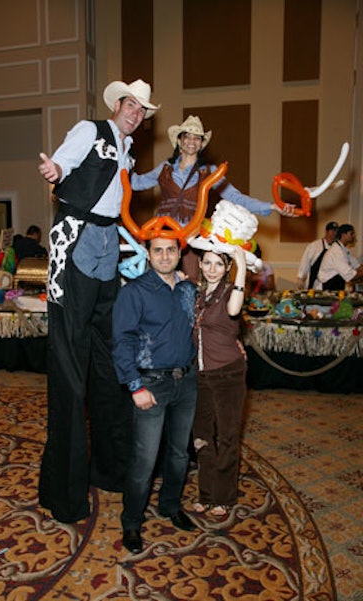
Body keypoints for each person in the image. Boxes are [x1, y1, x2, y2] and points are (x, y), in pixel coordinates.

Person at [37, 79, 160, 524]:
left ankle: (110, 469)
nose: (136, 112)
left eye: (142, 109)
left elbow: (123, 197)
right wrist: (55, 171)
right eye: (131, 104)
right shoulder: (89, 130)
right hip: (75, 242)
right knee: (71, 368)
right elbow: (64, 165)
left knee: (110, 361)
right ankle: (65, 493)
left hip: (108, 247)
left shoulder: (127, 151)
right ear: (118, 104)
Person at [131, 115, 296, 281]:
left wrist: (271, 207)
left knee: (190, 283)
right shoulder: (164, 169)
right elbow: (136, 183)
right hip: (164, 236)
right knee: (157, 282)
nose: (191, 141)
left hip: (192, 239)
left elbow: (235, 197)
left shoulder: (210, 171)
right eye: (187, 136)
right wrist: (121, 163)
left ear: (201, 144)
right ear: (179, 141)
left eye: (197, 138)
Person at [112, 235, 197, 554]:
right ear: (147, 254)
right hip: (151, 383)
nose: (164, 256)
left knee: (179, 453)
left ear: (179, 253)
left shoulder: (189, 290)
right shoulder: (134, 291)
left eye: (170, 250)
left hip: (186, 382)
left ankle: (170, 505)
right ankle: (132, 522)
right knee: (144, 460)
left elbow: (202, 328)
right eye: (158, 250)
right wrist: (135, 386)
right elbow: (122, 342)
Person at [189, 243, 247, 517]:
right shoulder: (197, 294)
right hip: (200, 375)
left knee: (226, 437)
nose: (212, 269)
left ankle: (224, 497)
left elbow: (235, 310)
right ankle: (207, 493)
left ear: (227, 268)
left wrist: (242, 267)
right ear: (200, 265)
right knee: (201, 437)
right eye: (208, 263)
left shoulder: (228, 293)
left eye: (219, 264)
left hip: (228, 375)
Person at [317, 224, 363, 291]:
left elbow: (358, 266)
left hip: (336, 286)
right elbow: (350, 276)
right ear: (343, 235)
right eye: (351, 234)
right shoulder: (336, 252)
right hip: (327, 288)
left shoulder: (344, 250)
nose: (354, 236)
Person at [296, 221, 339, 290]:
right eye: (333, 231)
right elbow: (305, 262)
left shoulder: (338, 247)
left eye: (336, 231)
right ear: (326, 232)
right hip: (316, 285)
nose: (335, 233)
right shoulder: (314, 246)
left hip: (333, 284)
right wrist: (301, 277)